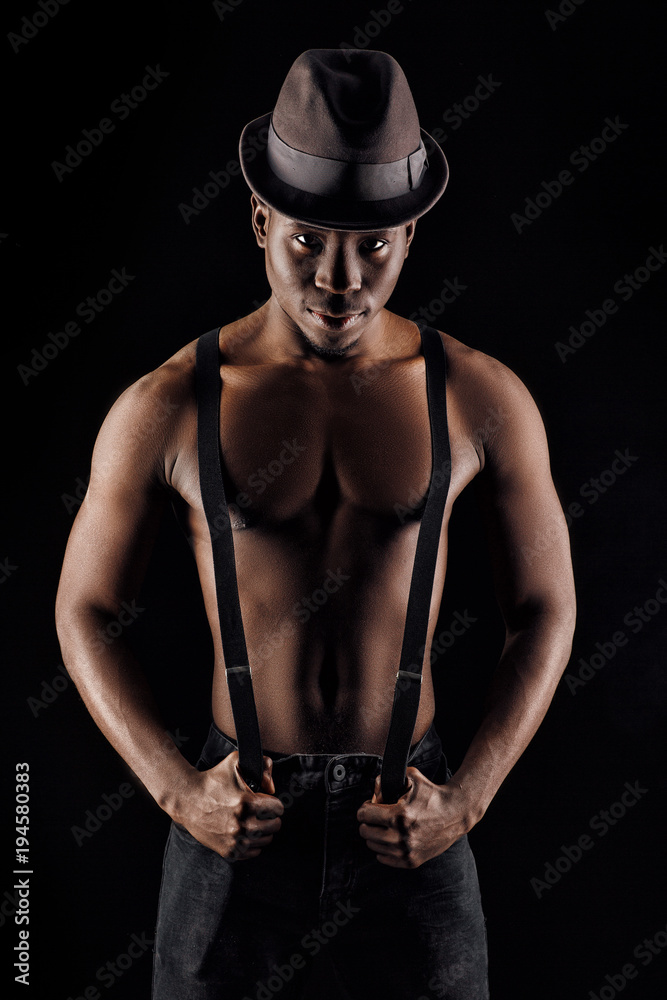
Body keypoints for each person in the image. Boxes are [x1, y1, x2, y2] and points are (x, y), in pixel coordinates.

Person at [55, 49, 576, 1000]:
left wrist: (467, 800)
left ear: (411, 233)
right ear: (260, 219)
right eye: (307, 239)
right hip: (233, 823)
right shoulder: (169, 404)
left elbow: (544, 608)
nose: (340, 277)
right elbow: (83, 608)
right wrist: (178, 790)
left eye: (372, 244)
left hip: (408, 822)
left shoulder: (479, 397)